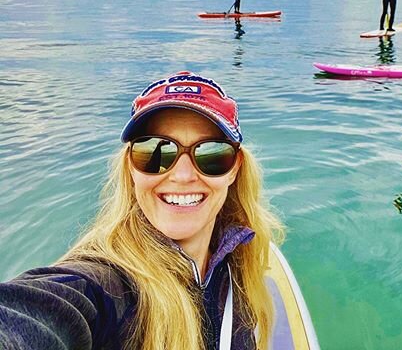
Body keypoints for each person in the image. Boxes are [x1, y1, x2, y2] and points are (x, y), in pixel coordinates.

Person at [0, 71, 284, 350]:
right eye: (156, 152)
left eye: (211, 154)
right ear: (131, 168)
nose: (183, 176)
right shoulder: (105, 287)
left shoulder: (237, 258)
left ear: (234, 169)